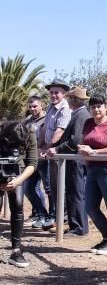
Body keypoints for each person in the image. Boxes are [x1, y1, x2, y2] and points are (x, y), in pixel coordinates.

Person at [78, 95, 107, 254]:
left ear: (105, 107)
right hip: (91, 170)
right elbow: (86, 142)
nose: (96, 109)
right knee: (90, 207)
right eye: (93, 107)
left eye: (99, 106)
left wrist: (94, 151)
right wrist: (83, 150)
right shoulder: (88, 123)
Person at [46, 87, 91, 236]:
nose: (68, 100)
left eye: (70, 98)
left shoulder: (81, 115)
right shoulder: (78, 114)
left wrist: (58, 149)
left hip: (75, 161)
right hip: (72, 160)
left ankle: (79, 228)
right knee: (72, 192)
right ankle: (75, 226)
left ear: (74, 100)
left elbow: (76, 139)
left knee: (76, 192)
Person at [0, 120, 37, 267]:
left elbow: (33, 163)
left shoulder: (30, 133)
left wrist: (17, 180)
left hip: (18, 172)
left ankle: (16, 251)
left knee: (18, 205)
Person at [37, 78, 72, 229]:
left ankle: (63, 218)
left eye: (56, 92)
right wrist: (38, 147)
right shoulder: (51, 107)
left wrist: (47, 147)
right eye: (51, 92)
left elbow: (59, 131)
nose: (53, 95)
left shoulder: (65, 109)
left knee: (60, 186)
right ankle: (57, 217)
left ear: (63, 93)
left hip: (60, 152)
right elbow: (45, 128)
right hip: (50, 153)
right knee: (52, 186)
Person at [23, 95, 49, 224]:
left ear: (41, 105)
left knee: (48, 189)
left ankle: (53, 218)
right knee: (28, 188)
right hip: (31, 160)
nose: (32, 109)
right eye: (30, 107)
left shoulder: (47, 118)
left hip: (44, 159)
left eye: (35, 106)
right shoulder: (28, 120)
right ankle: (41, 214)